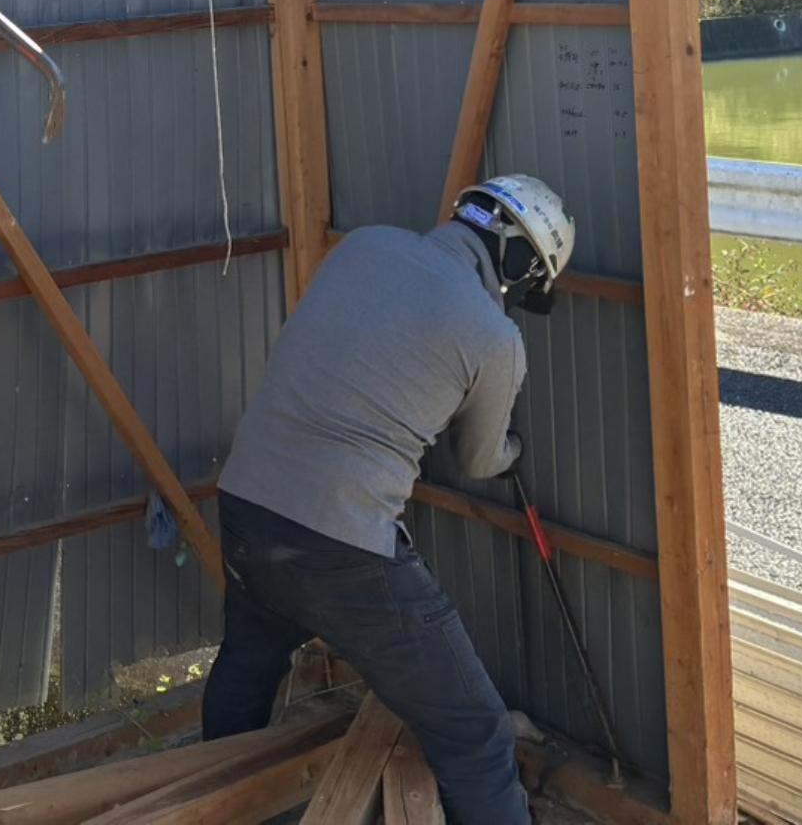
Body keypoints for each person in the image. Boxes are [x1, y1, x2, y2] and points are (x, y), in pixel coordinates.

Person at [203, 174, 575, 825]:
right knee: (475, 730)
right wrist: (515, 446)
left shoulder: (363, 246)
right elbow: (480, 459)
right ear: (517, 257)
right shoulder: (494, 337)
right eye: (529, 275)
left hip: (244, 503)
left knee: (247, 667)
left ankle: (213, 807)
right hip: (342, 550)